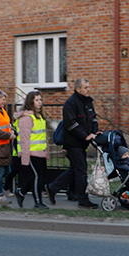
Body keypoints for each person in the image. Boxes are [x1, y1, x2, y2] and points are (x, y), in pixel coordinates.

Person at [47, 78, 101, 208]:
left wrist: (95, 132)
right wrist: (85, 136)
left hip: (83, 142)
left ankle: (53, 188)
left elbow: (93, 119)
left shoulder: (88, 102)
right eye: (85, 87)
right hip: (73, 143)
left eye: (89, 87)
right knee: (81, 170)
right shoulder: (70, 103)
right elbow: (71, 124)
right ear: (78, 89)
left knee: (75, 169)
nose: (88, 89)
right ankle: (83, 200)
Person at [14, 90, 50, 208]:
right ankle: (38, 202)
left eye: (40, 100)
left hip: (40, 152)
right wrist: (25, 157)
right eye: (36, 100)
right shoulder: (26, 118)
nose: (40, 102)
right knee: (37, 176)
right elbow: (24, 139)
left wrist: (46, 152)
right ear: (30, 102)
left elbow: (44, 137)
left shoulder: (39, 117)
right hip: (31, 152)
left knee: (39, 176)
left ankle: (21, 192)